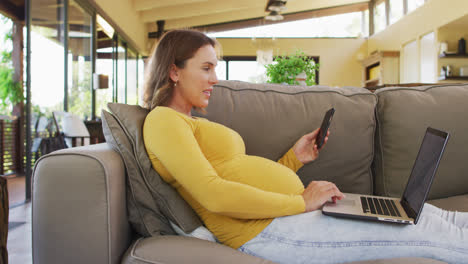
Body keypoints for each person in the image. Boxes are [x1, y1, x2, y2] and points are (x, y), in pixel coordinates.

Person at [142, 29, 468, 264]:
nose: (215, 78)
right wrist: (301, 202)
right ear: (174, 70)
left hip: (282, 219)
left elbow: (238, 177)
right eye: (206, 67)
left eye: (215, 67)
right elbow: (214, 195)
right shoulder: (163, 121)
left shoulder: (192, 123)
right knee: (419, 232)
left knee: (435, 217)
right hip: (266, 232)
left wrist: (294, 159)